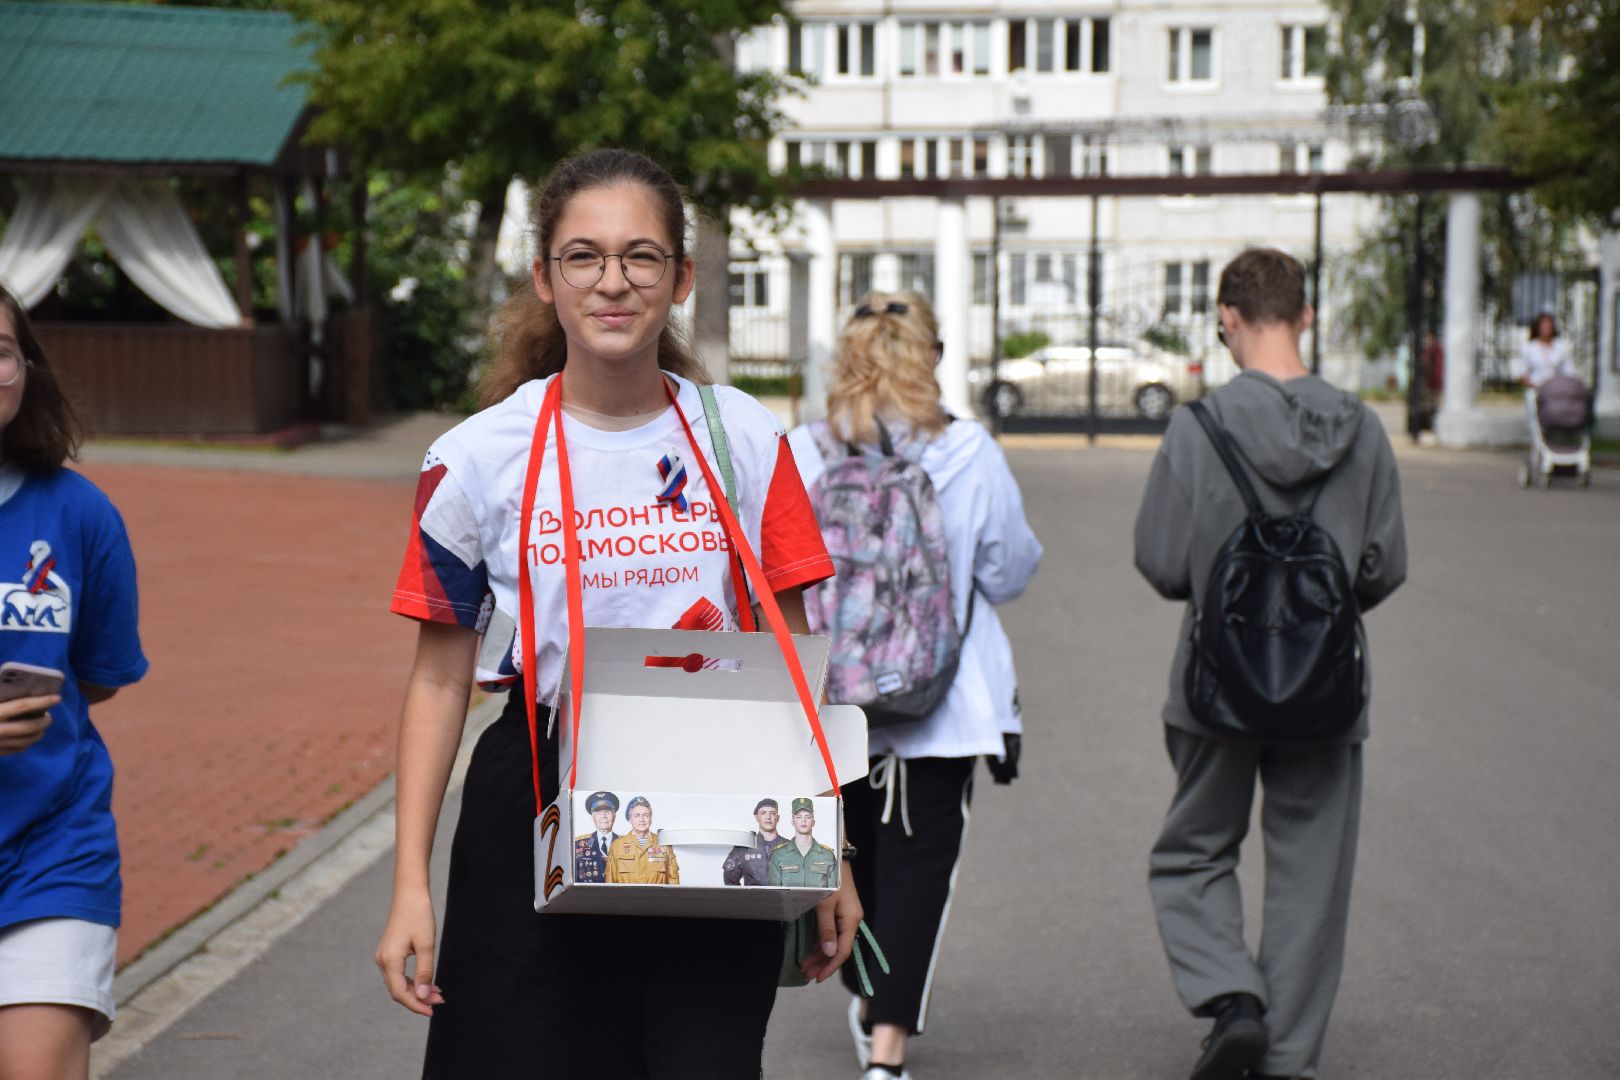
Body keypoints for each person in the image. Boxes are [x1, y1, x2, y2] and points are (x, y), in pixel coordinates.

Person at [374, 149, 860, 1080]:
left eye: (641, 257)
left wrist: (825, 850)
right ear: (544, 280)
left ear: (680, 278)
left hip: (718, 790)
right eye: (583, 257)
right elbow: (439, 679)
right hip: (538, 785)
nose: (613, 282)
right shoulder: (474, 459)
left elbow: (793, 653)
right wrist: (409, 888)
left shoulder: (745, 435)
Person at [1133, 248, 1407, 1080]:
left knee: (1193, 850)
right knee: (1310, 872)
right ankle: (1285, 1057)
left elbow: (1163, 561)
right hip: (1326, 690)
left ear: (1226, 319)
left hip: (1215, 685)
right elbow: (1382, 567)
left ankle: (1232, 998)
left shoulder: (1197, 426)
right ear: (1305, 317)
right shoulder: (1361, 428)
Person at [787, 292, 1042, 1080]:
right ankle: (888, 1046)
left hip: (831, 705)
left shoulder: (801, 451)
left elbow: (774, 578)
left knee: (849, 860)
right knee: (922, 872)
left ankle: (865, 995)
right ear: (930, 358)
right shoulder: (970, 452)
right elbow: (1008, 571)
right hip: (943, 702)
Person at [0, 283, 148, 1080]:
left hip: (52, 850)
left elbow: (97, 677)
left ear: (26, 369)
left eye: (0, 350)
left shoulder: (83, 516)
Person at [606, 796, 680, 885]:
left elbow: (673, 880)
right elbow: (610, 883)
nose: (642, 820)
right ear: (630, 819)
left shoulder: (663, 844)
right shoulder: (617, 846)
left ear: (651, 818)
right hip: (626, 898)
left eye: (646, 815)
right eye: (637, 815)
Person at [766, 799, 838, 888]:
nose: (803, 820)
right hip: (788, 902)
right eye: (799, 817)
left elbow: (833, 894)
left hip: (819, 902)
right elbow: (773, 894)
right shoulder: (778, 855)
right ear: (793, 822)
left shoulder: (827, 855)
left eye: (808, 816)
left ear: (813, 822)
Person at [722, 798, 786, 886]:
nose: (768, 817)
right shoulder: (744, 846)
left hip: (783, 898)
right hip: (754, 899)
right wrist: (746, 898)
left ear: (778, 818)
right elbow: (730, 880)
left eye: (772, 813)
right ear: (756, 817)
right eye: (763, 813)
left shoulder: (789, 846)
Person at [1515, 312, 1576, 390]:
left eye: (1548, 325)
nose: (1546, 328)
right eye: (1543, 325)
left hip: (1556, 392)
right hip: (1536, 392)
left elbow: (1569, 371)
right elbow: (1522, 373)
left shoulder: (1561, 347)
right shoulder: (1529, 347)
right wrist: (1534, 385)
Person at [573, 790, 620, 883]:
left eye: (607, 811)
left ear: (614, 816)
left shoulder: (625, 843)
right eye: (598, 812)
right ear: (592, 817)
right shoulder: (579, 845)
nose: (603, 816)